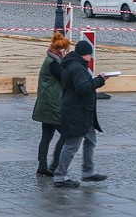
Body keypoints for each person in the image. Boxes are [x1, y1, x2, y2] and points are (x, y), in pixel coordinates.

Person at [52, 40, 110, 188]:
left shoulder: (75, 65)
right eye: (90, 53)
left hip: (84, 112)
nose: (91, 56)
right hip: (77, 113)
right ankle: (60, 176)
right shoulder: (77, 67)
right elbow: (83, 88)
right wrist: (99, 80)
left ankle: (88, 172)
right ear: (85, 54)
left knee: (90, 140)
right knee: (72, 145)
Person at [32, 32, 70, 177]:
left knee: (46, 137)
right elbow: (66, 76)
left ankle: (42, 166)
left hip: (45, 104)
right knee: (67, 134)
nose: (67, 52)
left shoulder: (50, 60)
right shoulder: (54, 63)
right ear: (60, 50)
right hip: (52, 105)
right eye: (65, 49)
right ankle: (54, 166)